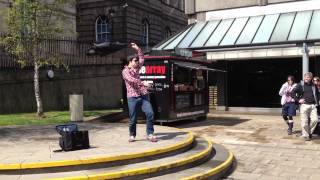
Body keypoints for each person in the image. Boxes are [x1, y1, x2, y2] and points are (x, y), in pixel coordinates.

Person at [122, 43, 157, 143]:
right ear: (130, 62)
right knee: (133, 117)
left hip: (143, 95)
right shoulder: (125, 71)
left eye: (137, 61)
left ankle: (150, 133)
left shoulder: (137, 67)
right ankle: (132, 135)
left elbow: (142, 58)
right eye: (135, 61)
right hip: (132, 97)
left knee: (150, 113)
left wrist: (138, 49)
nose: (138, 62)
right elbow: (132, 80)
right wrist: (144, 83)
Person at [292, 72, 319, 141]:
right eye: (306, 77)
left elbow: (317, 94)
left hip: (313, 106)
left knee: (315, 120)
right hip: (304, 105)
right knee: (304, 123)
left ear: (311, 78)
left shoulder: (314, 85)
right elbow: (292, 92)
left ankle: (308, 132)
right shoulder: (300, 85)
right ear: (304, 78)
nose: (307, 78)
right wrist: (298, 100)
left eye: (309, 77)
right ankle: (306, 135)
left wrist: (317, 103)